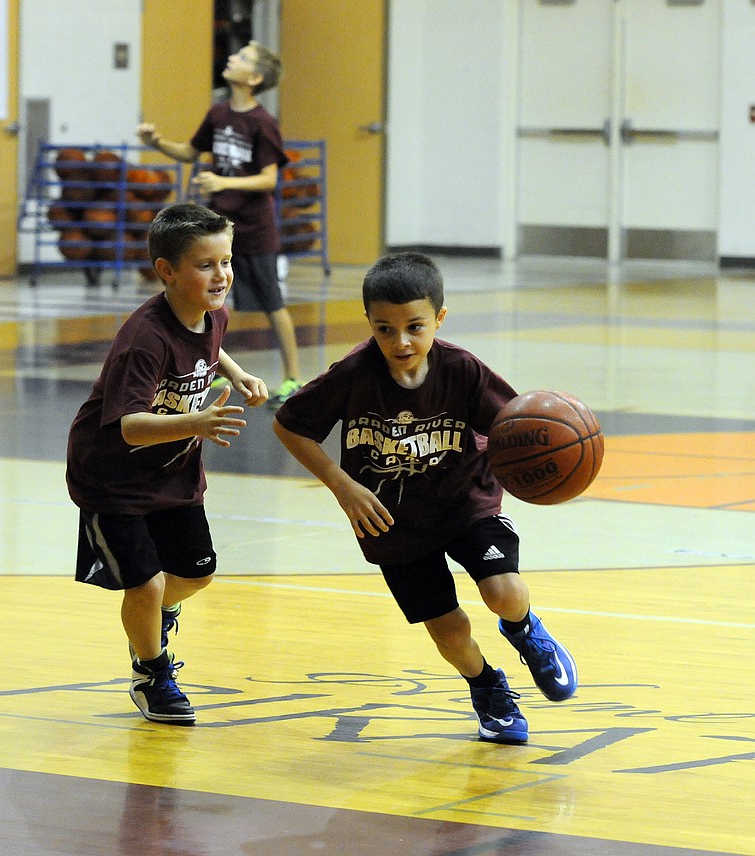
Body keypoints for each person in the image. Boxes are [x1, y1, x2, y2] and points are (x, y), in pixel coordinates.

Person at [272, 252, 577, 744]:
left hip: (465, 501)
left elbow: (514, 428)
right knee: (447, 627)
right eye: (384, 329)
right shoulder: (353, 374)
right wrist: (342, 485)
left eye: (415, 326)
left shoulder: (463, 370)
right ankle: (487, 687)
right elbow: (289, 426)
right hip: (391, 520)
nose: (401, 341)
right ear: (369, 322)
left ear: (439, 318)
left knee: (503, 592)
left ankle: (526, 632)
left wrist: (542, 467)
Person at [66, 202, 268, 725]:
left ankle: (156, 619)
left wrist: (240, 374)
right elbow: (130, 425)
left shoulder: (211, 310)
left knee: (196, 573)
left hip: (173, 473)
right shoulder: (143, 340)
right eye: (206, 265)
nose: (221, 274)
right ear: (167, 271)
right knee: (147, 584)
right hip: (114, 479)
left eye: (226, 260)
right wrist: (197, 423)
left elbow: (210, 343)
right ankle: (151, 672)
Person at [137, 40, 302, 409]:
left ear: (255, 78)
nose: (231, 57)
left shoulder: (262, 122)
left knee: (272, 302)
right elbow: (190, 153)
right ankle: (203, 368)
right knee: (207, 298)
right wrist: (157, 142)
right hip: (219, 227)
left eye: (242, 57)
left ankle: (292, 376)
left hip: (255, 226)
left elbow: (269, 179)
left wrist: (224, 182)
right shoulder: (218, 114)